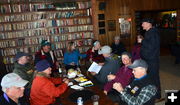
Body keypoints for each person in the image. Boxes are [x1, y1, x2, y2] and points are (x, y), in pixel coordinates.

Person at [140, 18, 161, 99]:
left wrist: (142, 41)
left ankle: (157, 95)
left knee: (154, 77)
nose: (142, 25)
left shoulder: (153, 33)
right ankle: (152, 93)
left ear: (149, 24)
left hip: (152, 60)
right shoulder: (149, 32)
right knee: (150, 77)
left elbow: (152, 47)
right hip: (149, 59)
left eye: (143, 23)